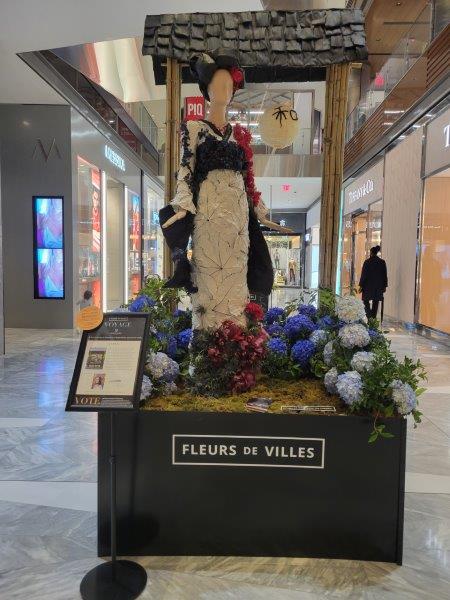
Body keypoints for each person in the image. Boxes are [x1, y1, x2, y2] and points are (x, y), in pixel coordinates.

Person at [159, 49, 290, 330]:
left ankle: (235, 346)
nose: (225, 91)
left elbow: (249, 180)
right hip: (209, 215)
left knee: (235, 280)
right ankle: (208, 346)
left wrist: (260, 211)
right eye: (219, 85)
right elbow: (186, 170)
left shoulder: (240, 134)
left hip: (237, 219)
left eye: (229, 86)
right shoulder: (194, 128)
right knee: (208, 278)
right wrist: (182, 206)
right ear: (207, 89)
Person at [359, 245, 387, 320]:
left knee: (365, 301)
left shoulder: (367, 262)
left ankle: (369, 316)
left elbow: (363, 274)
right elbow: (384, 275)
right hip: (378, 286)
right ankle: (373, 318)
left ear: (371, 253)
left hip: (367, 286)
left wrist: (361, 285)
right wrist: (384, 286)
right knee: (376, 301)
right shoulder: (382, 262)